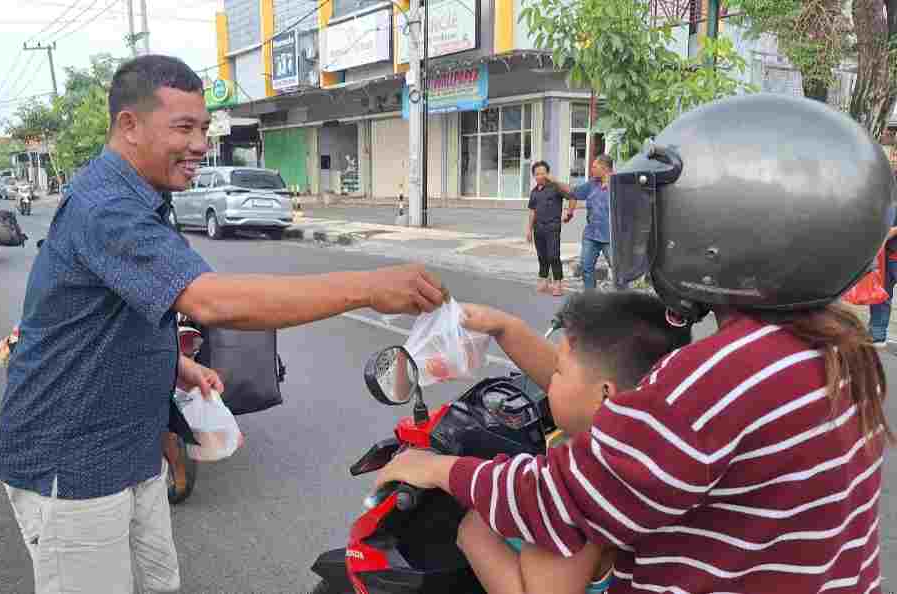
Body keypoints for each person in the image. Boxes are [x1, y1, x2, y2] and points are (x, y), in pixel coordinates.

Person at [375, 93, 892, 593]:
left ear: (722, 226)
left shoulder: (723, 377)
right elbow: (612, 396)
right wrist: (508, 329)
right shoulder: (828, 349)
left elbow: (560, 498)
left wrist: (439, 471)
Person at [0, 55, 445, 594]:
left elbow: (116, 309)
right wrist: (371, 288)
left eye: (204, 127)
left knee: (161, 582)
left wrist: (174, 362)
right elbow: (208, 301)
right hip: (73, 461)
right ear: (129, 127)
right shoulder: (106, 206)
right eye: (183, 127)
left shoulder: (145, 195)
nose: (200, 144)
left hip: (132, 449)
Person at [444, 292, 690, 594]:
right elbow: (583, 385)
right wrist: (506, 328)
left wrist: (474, 529)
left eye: (558, 371)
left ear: (606, 396)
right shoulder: (653, 441)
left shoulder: (580, 491)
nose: (550, 381)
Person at [574, 155, 625, 291]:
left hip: (611, 237)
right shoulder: (592, 183)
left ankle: (624, 298)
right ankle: (590, 298)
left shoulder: (619, 184)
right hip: (591, 234)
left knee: (618, 270)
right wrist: (555, 183)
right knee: (586, 267)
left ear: (605, 168)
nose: (591, 169)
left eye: (594, 167)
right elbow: (574, 192)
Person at [527, 161, 577, 296]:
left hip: (552, 227)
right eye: (537, 174)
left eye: (543, 173)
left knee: (553, 256)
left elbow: (572, 194)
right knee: (542, 256)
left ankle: (558, 283)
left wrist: (570, 212)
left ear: (548, 174)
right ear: (534, 176)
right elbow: (532, 211)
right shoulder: (534, 192)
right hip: (538, 228)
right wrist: (529, 230)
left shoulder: (556, 187)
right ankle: (544, 280)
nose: (540, 176)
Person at [867, 194, 897, 346]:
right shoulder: (891, 180)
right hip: (887, 254)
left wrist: (892, 231)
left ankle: (877, 334)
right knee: (881, 295)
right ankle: (877, 335)